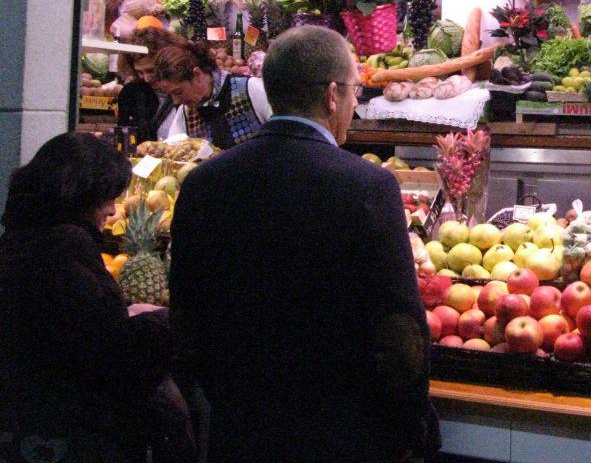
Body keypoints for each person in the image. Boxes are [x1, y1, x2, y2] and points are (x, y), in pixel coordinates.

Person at [169, 25, 439, 463]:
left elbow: (185, 317)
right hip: (342, 432)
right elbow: (399, 327)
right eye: (354, 91)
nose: (355, 104)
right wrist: (411, 421)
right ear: (332, 95)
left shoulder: (203, 183)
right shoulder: (368, 186)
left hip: (240, 429)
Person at [0, 133, 194, 463]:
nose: (113, 209)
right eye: (108, 197)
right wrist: (164, 322)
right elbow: (109, 353)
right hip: (63, 434)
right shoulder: (64, 247)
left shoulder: (20, 238)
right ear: (83, 193)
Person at [154, 40, 271, 148]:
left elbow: (281, 132)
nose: (175, 101)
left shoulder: (251, 89)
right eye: (171, 94)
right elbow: (172, 152)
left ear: (197, 74)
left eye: (178, 92)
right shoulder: (186, 113)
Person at [117, 27, 187, 142]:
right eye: (140, 72)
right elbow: (124, 138)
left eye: (151, 70)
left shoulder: (186, 89)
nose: (146, 78)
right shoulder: (131, 94)